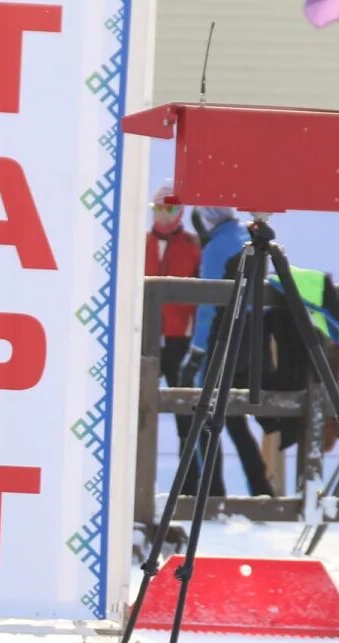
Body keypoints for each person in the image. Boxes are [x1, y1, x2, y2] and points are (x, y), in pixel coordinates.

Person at [183, 206, 273, 497]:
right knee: (233, 418)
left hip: (222, 339)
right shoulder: (247, 235)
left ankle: (212, 492)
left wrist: (197, 350)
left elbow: (207, 304)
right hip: (250, 337)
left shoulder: (215, 248)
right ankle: (260, 486)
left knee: (207, 414)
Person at [144, 186, 203, 491]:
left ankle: (190, 486)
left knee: (185, 412)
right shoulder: (140, 243)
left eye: (168, 209)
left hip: (179, 339)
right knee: (139, 410)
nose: (162, 215)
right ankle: (135, 482)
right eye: (157, 208)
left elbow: (203, 295)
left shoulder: (193, 245)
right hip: (145, 339)